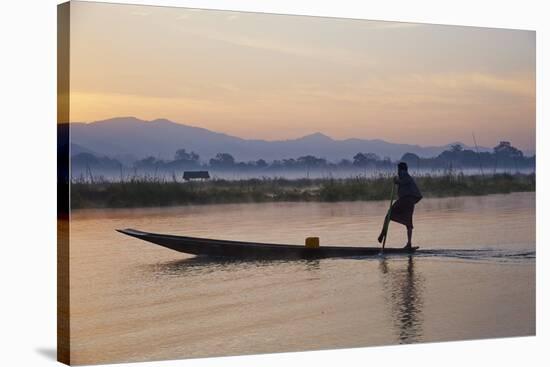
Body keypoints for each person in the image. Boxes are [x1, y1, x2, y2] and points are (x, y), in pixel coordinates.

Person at [378, 162, 422, 248]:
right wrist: (397, 180)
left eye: (398, 169)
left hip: (405, 200)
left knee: (388, 215)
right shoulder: (405, 175)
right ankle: (409, 243)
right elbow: (402, 181)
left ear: (401, 169)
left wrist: (396, 181)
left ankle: (383, 233)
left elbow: (402, 181)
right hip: (409, 202)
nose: (398, 171)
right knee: (408, 223)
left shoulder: (404, 174)